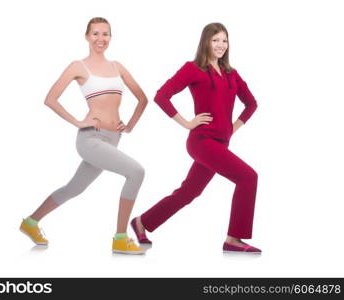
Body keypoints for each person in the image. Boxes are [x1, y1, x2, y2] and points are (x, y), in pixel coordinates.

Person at [20, 17, 148, 255]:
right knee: (136, 172)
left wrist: (129, 125)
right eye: (96, 34)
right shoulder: (79, 66)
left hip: (113, 138)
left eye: (106, 34)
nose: (101, 39)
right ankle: (121, 238)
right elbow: (50, 99)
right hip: (91, 139)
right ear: (87, 37)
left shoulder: (117, 67)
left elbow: (143, 98)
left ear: (111, 37)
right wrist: (78, 122)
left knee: (73, 188)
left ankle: (30, 222)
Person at [130, 23, 261, 253]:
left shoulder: (232, 74)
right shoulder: (193, 69)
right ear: (206, 42)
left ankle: (142, 222)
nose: (221, 45)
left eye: (224, 40)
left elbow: (251, 104)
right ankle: (233, 239)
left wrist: (233, 128)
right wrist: (187, 123)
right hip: (201, 142)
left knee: (189, 192)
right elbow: (162, 96)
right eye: (215, 40)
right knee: (248, 177)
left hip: (221, 143)